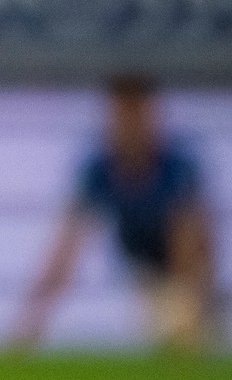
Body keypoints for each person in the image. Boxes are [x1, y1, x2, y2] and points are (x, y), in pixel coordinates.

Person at [12, 74, 218, 353]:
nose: (129, 125)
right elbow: (65, 250)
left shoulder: (176, 167)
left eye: (136, 114)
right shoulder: (98, 168)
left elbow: (190, 244)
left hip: (184, 271)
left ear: (151, 115)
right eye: (121, 114)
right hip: (143, 269)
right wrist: (30, 323)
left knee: (183, 334)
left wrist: (191, 302)